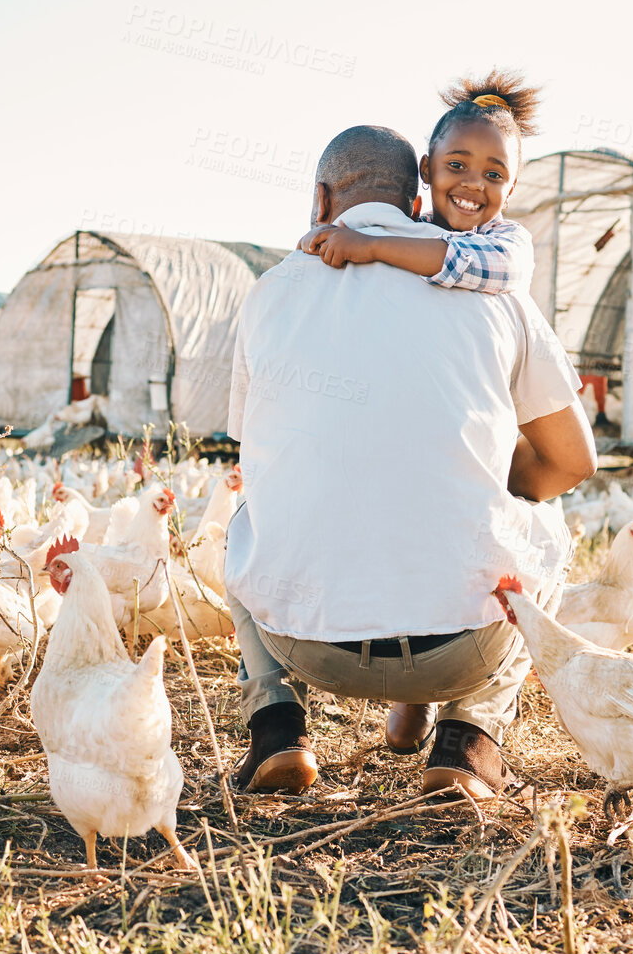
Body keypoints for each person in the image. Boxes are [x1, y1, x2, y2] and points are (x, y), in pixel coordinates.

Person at [225, 89, 596, 799]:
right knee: (541, 524)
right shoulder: (495, 295)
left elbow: (254, 446)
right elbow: (571, 463)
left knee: (245, 516)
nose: (475, 183)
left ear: (321, 197)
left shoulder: (271, 292)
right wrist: (490, 471)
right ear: (420, 181)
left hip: (305, 642)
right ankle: (467, 741)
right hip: (462, 646)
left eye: (494, 174)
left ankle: (276, 728)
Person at [297, 72, 541, 297]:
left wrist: (370, 247)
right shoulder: (410, 227)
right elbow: (353, 238)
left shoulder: (510, 240)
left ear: (510, 189)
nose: (474, 184)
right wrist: (320, 240)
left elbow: (478, 262)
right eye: (456, 165)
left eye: (494, 175)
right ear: (427, 170)